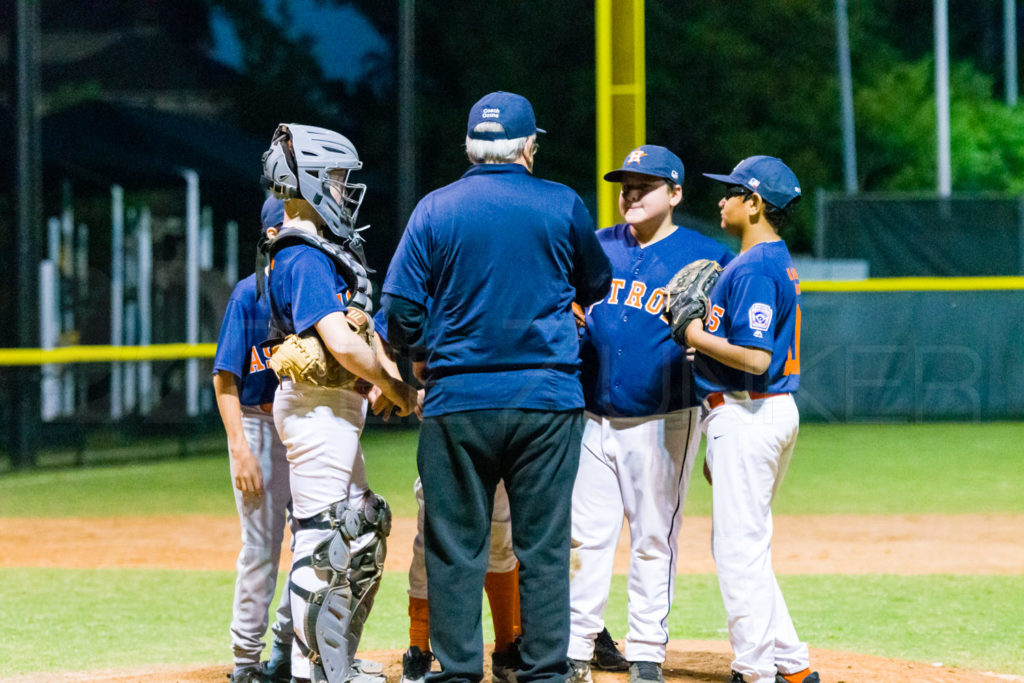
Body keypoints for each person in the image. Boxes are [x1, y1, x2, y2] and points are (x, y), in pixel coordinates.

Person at [382, 91, 612, 683]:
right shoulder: (561, 203)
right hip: (547, 401)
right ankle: (542, 671)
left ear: (468, 147)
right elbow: (597, 285)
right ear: (527, 146)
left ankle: (457, 671)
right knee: (543, 547)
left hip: (459, 402)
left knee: (456, 547)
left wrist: (424, 352)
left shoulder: (436, 208)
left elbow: (401, 314)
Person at [567, 146, 734, 683]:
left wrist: (716, 415)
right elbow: (568, 308)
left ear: (676, 194)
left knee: (653, 537)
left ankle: (645, 650)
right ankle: (576, 645)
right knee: (584, 536)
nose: (631, 194)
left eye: (645, 185)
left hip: (666, 417)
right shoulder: (595, 247)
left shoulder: (707, 257)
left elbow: (726, 342)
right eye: (625, 185)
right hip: (592, 415)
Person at [261, 123, 420, 683]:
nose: (344, 189)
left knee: (362, 524)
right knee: (326, 534)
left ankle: (332, 659)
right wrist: (399, 388)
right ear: (302, 178)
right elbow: (342, 343)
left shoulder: (322, 249)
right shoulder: (302, 254)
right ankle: (314, 669)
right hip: (316, 407)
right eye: (333, 177)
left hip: (330, 408)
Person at [681, 156, 819, 683]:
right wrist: (709, 349)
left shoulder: (757, 267)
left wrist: (694, 336)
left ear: (755, 203)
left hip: (749, 410)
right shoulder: (767, 259)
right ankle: (793, 664)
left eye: (733, 191)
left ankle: (754, 670)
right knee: (749, 546)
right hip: (756, 414)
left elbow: (757, 359)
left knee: (738, 551)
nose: (723, 199)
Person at [370, 310, 524, 683]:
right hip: (447, 420)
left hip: (505, 416)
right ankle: (419, 648)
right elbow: (381, 328)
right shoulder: (432, 277)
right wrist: (396, 384)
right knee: (433, 543)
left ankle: (507, 647)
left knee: (502, 540)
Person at [212, 196, 295, 683]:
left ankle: (287, 643)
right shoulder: (249, 295)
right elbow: (225, 378)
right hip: (257, 426)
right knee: (262, 548)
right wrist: (239, 446)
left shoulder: (313, 285)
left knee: (313, 542)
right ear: (269, 235)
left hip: (301, 425)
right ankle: (246, 660)